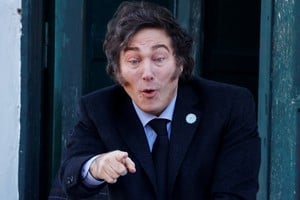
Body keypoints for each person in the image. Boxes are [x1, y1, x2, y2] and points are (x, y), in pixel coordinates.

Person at [58, 1, 261, 199]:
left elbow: (236, 193)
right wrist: (96, 166)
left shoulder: (229, 106)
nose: (147, 73)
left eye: (159, 58)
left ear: (180, 63)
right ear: (118, 71)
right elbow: (70, 176)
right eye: (134, 61)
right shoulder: (99, 109)